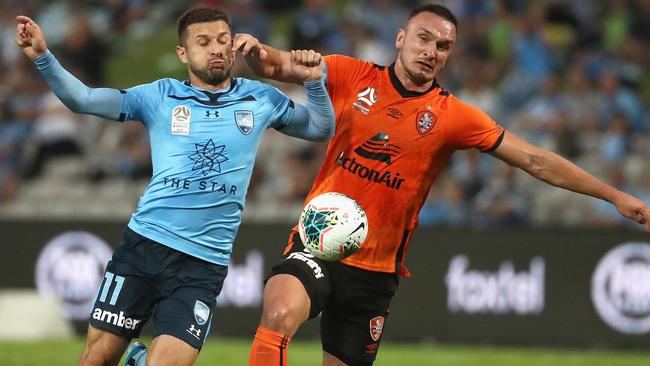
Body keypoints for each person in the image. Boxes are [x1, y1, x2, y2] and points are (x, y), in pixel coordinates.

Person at [235, 4, 650, 366]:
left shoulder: (452, 116)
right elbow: (275, 66)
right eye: (423, 38)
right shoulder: (350, 73)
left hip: (376, 271)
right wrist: (256, 50)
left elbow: (536, 160)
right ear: (401, 38)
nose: (431, 51)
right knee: (279, 311)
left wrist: (613, 195)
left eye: (443, 46)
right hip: (319, 243)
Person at [15, 7, 334, 366]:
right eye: (203, 42)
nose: (215, 49)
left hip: (203, 264)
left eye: (222, 40)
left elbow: (320, 129)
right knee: (95, 359)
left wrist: (314, 81)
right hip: (144, 247)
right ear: (183, 53)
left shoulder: (260, 98)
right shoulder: (159, 96)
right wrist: (43, 57)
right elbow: (83, 100)